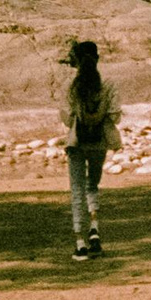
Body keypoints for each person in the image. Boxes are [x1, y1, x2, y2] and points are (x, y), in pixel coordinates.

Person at [59, 38, 120, 260]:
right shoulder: (109, 84)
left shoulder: (70, 86)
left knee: (76, 190)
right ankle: (94, 231)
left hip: (77, 142)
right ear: (97, 58)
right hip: (99, 142)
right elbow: (115, 116)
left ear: (75, 61)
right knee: (92, 185)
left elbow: (67, 119)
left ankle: (80, 243)